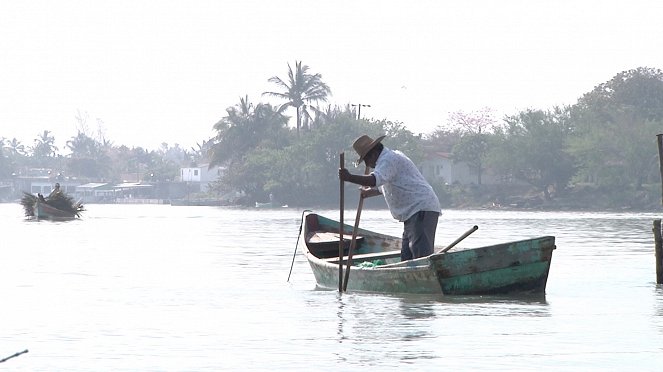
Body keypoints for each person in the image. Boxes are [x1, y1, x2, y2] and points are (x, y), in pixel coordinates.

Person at [338, 134, 441, 261]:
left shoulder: (388, 159)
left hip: (420, 209)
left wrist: (349, 177)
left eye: (366, 160)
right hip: (411, 213)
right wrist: (371, 192)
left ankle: (425, 280)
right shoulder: (386, 160)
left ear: (373, 153)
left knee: (421, 257)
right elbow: (388, 184)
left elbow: (375, 179)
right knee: (407, 257)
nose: (368, 165)